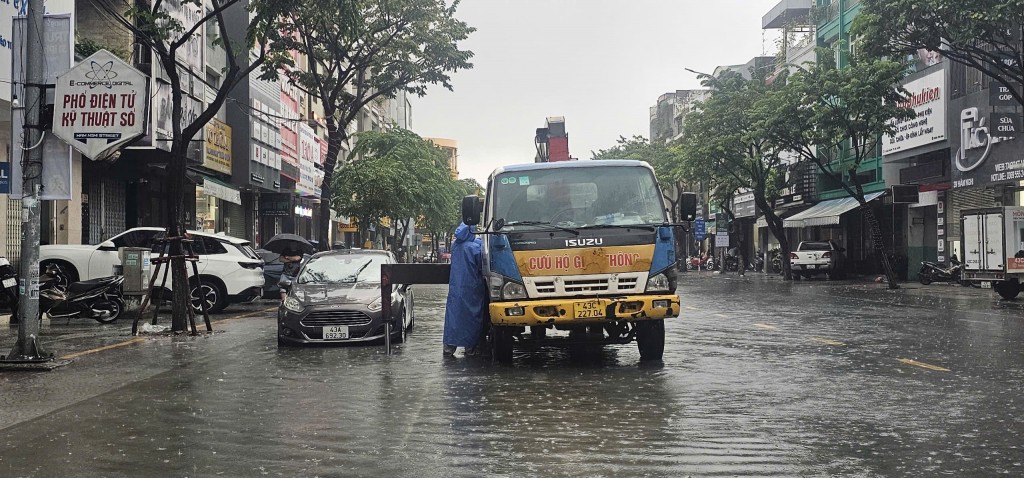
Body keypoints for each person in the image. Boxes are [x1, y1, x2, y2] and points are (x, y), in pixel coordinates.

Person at [442, 223, 487, 357]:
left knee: (454, 316)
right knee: (472, 318)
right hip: (472, 288)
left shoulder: (455, 246)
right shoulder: (475, 247)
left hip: (456, 288)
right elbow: (482, 265)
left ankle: (449, 346)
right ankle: (470, 347)